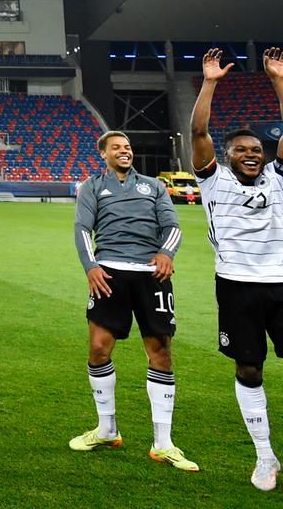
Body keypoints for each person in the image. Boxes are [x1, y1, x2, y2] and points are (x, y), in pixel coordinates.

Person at [70, 129, 194, 470]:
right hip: (109, 273)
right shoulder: (92, 187)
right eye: (116, 147)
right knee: (98, 348)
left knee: (161, 351)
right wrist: (91, 266)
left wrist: (166, 253)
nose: (124, 151)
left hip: (152, 273)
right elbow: (82, 229)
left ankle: (163, 443)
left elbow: (172, 226)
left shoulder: (154, 186)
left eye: (127, 147)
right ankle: (107, 429)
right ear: (103, 154)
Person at [191, 46, 283, 489]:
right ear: (227, 155)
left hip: (281, 283)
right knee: (249, 369)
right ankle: (265, 457)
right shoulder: (213, 180)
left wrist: (278, 81)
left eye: (257, 149)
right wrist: (209, 83)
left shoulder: (278, 177)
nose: (251, 154)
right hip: (236, 286)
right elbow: (198, 130)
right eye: (242, 149)